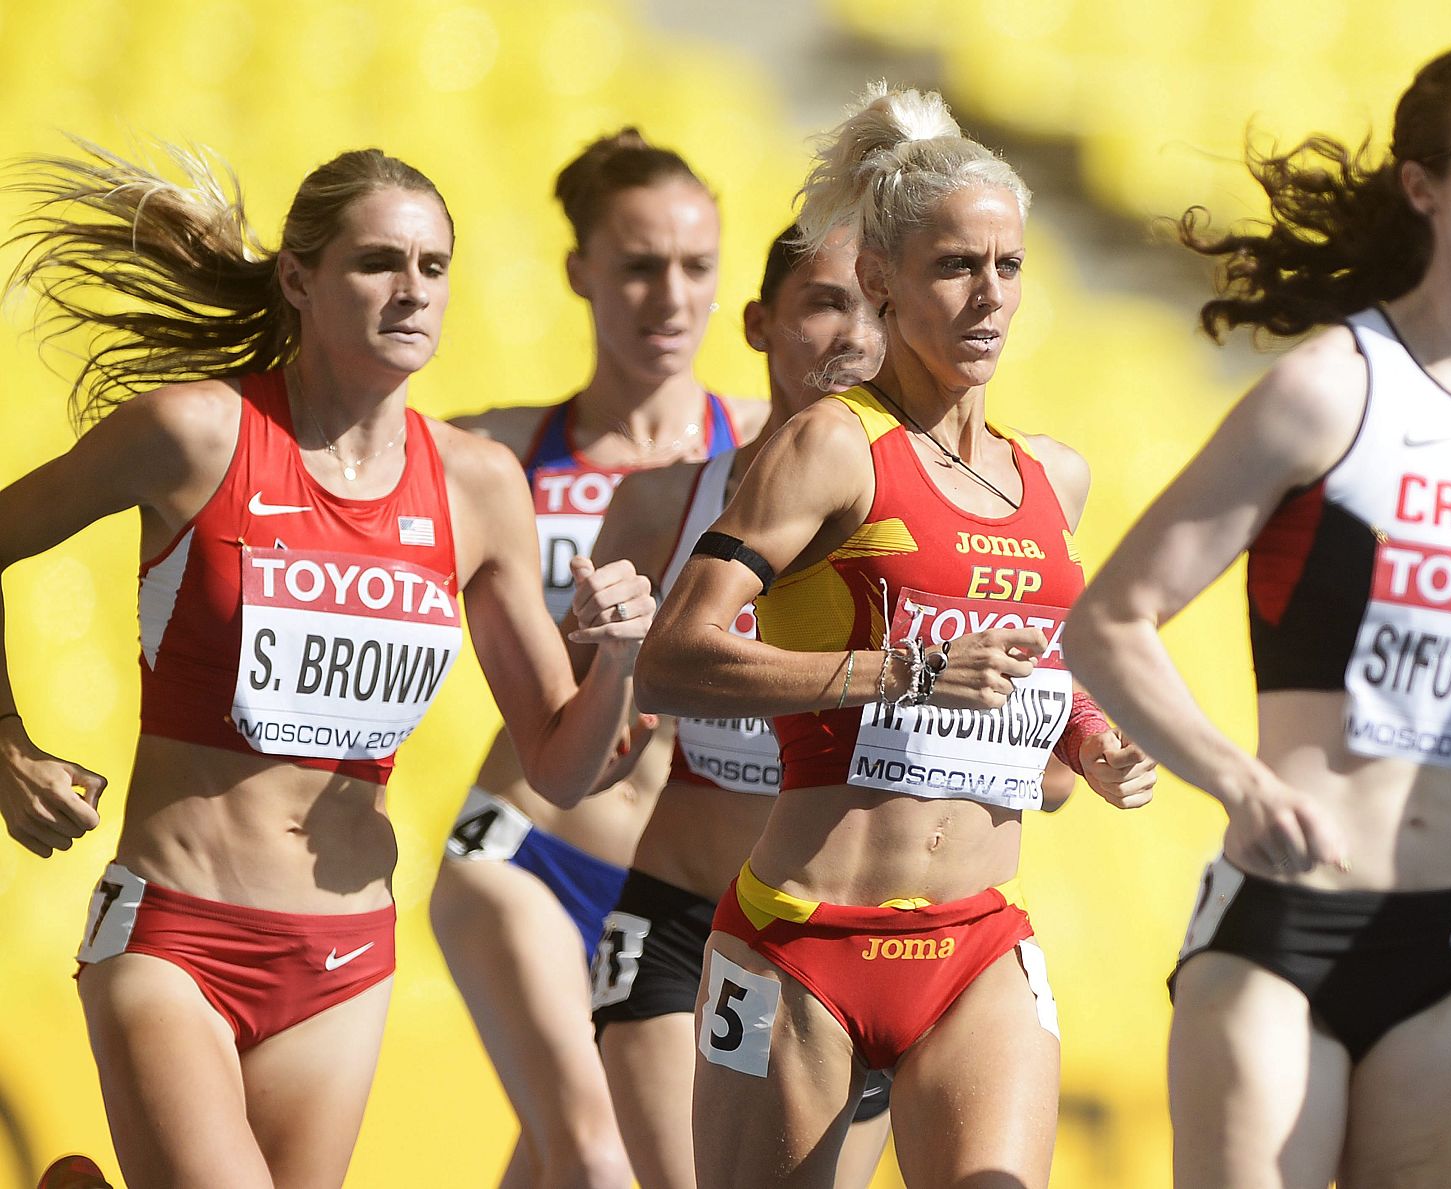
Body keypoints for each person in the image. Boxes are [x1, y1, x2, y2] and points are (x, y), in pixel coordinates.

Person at [0, 141, 653, 1189]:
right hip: (175, 932)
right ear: (299, 278)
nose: (412, 290)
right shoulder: (197, 432)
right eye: (378, 262)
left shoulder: (479, 485)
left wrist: (619, 655)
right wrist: (6, 743)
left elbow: (561, 765)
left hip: (344, 957)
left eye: (434, 267)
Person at [1060, 40, 1451, 1189]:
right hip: (1286, 931)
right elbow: (1105, 620)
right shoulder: (1333, 389)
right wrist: (1233, 776)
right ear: (1423, 184)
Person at [634, 84, 1156, 1188]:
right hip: (802, 939)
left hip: (976, 942)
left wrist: (1091, 736)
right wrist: (906, 672)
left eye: (1007, 267)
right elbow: (673, 656)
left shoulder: (1053, 476)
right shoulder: (833, 445)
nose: (988, 297)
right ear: (880, 279)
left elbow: (1030, 662)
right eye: (955, 267)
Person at [427, 128, 762, 1189]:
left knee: (556, 1160)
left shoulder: (767, 451)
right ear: (579, 271)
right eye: (637, 265)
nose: (671, 296)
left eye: (697, 267)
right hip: (526, 848)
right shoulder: (500, 450)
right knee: (599, 1153)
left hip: (669, 886)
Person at [588, 222, 905, 1189]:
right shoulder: (658, 506)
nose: (854, 333)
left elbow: (1044, 776)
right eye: (824, 302)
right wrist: (608, 659)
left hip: (850, 938)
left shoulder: (920, 525)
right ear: (761, 323)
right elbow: (588, 765)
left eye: (880, 307)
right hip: (681, 929)